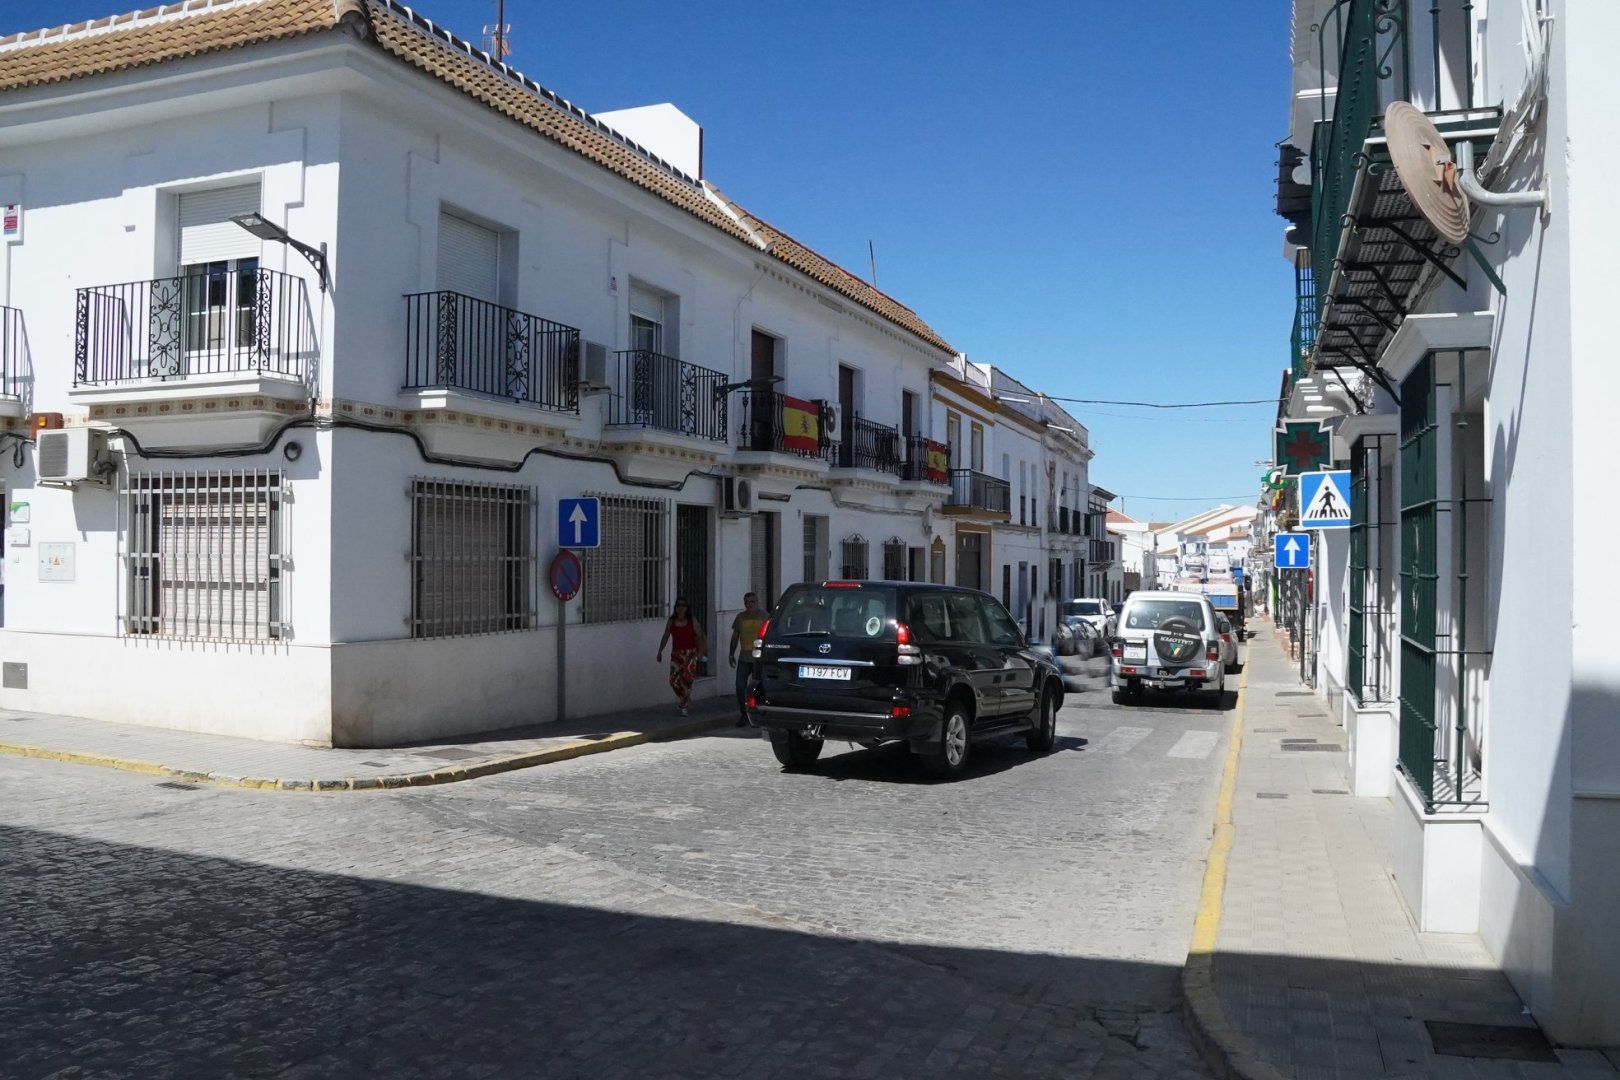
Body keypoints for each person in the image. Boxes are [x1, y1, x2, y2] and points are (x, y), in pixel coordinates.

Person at [656, 597, 707, 715]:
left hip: (690, 653)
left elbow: (699, 636)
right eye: (678, 605)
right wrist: (660, 651)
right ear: (675, 607)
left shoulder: (691, 620)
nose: (681, 608)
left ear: (686, 608)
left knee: (688, 680)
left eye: (683, 605)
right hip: (676, 654)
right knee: (673, 680)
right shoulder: (672, 621)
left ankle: (683, 705)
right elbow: (666, 636)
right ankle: (685, 698)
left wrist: (700, 652)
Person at [728, 592, 767, 727]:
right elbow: (735, 637)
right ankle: (743, 714)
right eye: (747, 602)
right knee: (740, 686)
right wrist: (731, 654)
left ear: (757, 602)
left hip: (758, 659)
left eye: (752, 602)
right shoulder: (740, 618)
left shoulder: (765, 617)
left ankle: (758, 715)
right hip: (744, 658)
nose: (749, 604)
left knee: (759, 689)